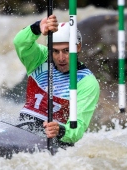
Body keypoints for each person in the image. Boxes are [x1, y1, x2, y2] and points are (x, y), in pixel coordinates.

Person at [13, 15, 100, 146]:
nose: (61, 58)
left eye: (66, 50)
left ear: (77, 47)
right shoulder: (40, 59)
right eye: (55, 51)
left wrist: (60, 131)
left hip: (53, 142)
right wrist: (36, 28)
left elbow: (78, 127)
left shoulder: (87, 82)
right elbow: (20, 43)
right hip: (22, 132)